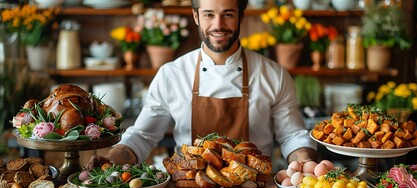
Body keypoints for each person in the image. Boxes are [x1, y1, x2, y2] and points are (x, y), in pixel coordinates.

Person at [89, 0, 317, 168]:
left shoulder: (273, 75)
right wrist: (110, 159)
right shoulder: (172, 75)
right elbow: (142, 136)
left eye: (228, 14)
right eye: (209, 14)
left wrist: (305, 164)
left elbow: (292, 136)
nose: (218, 25)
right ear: (196, 16)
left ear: (241, 16)